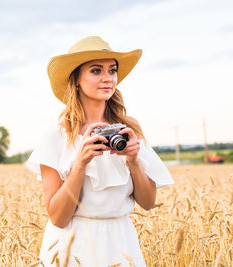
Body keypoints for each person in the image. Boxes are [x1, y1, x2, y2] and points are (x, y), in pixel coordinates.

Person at [25, 36, 174, 267]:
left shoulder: (129, 129)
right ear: (75, 79)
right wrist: (80, 164)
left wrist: (134, 161)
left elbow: (147, 202)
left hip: (122, 244)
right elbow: (58, 217)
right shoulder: (56, 136)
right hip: (70, 247)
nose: (107, 78)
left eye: (112, 70)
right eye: (96, 71)